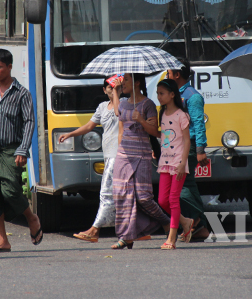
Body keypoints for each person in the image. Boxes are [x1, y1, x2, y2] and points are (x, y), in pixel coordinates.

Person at [0, 49, 42, 253]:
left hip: (12, 149)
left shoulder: (22, 93)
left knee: (11, 190)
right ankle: (3, 240)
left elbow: (30, 122)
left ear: (9, 67)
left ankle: (32, 218)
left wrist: (23, 149)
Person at [112, 73, 178, 250]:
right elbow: (119, 116)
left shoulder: (148, 104)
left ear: (137, 82)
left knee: (144, 197)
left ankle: (166, 223)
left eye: (126, 79)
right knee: (120, 194)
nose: (123, 82)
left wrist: (140, 120)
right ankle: (126, 236)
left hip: (141, 154)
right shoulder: (124, 103)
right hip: (123, 154)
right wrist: (116, 91)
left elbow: (154, 131)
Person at [59, 75, 123, 243]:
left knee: (106, 193)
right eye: (110, 88)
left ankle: (94, 230)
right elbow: (89, 126)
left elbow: (119, 112)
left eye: (116, 87)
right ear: (104, 90)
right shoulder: (102, 107)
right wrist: (70, 134)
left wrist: (117, 92)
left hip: (119, 155)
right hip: (108, 155)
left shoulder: (123, 104)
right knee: (124, 195)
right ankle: (136, 231)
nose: (112, 90)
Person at [167, 59, 209, 241]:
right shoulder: (176, 94)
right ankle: (200, 226)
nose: (166, 76)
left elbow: (199, 124)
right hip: (176, 145)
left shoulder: (192, 96)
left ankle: (197, 220)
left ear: (177, 75)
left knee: (182, 184)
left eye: (168, 73)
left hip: (189, 146)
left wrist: (200, 149)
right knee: (187, 183)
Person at [154, 79, 194, 249]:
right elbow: (163, 136)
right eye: (157, 93)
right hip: (165, 162)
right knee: (162, 200)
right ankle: (186, 221)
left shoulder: (181, 115)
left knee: (173, 199)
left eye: (161, 93)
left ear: (172, 95)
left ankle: (172, 237)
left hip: (178, 162)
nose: (159, 97)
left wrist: (182, 163)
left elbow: (187, 141)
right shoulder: (162, 113)